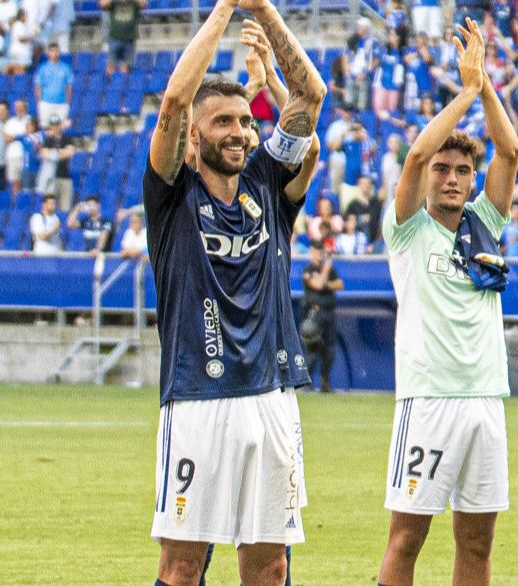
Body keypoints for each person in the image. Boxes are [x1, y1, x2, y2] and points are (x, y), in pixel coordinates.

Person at [142, 0, 325, 582]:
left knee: (270, 567)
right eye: (224, 122)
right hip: (197, 399)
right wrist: (223, 10)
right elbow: (174, 101)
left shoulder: (268, 183)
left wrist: (264, 9)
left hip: (272, 399)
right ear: (193, 138)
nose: (241, 132)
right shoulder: (173, 196)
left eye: (247, 121)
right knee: (181, 568)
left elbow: (310, 97)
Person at [377, 19, 518, 586]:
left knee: (478, 542)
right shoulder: (410, 229)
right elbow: (413, 158)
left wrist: (484, 84)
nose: (455, 178)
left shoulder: (486, 224)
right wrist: (462, 95)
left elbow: (508, 150)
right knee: (407, 537)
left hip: (486, 399)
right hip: (428, 399)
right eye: (446, 169)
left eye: (463, 170)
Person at [300, 240, 344, 392]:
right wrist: (325, 271)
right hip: (314, 315)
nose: (320, 255)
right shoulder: (308, 269)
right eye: (317, 252)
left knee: (329, 350)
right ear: (312, 252)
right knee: (313, 349)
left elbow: (340, 284)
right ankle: (306, 383)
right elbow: (316, 285)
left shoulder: (330, 270)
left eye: (321, 252)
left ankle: (325, 383)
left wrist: (325, 282)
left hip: (329, 312)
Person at [99, 0, 147, 75]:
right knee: (110, 65)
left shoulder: (134, 3)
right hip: (114, 38)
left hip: (129, 39)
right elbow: (102, 4)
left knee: (125, 68)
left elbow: (144, 3)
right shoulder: (114, 3)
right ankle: (109, 84)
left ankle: (122, 84)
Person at [34, 43, 73, 128]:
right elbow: (38, 86)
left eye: (56, 51)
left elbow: (69, 87)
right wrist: (39, 102)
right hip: (46, 103)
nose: (54, 53)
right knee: (45, 127)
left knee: (61, 128)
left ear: (59, 52)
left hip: (62, 103)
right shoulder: (42, 68)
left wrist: (67, 102)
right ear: (49, 53)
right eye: (52, 51)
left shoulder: (66, 68)